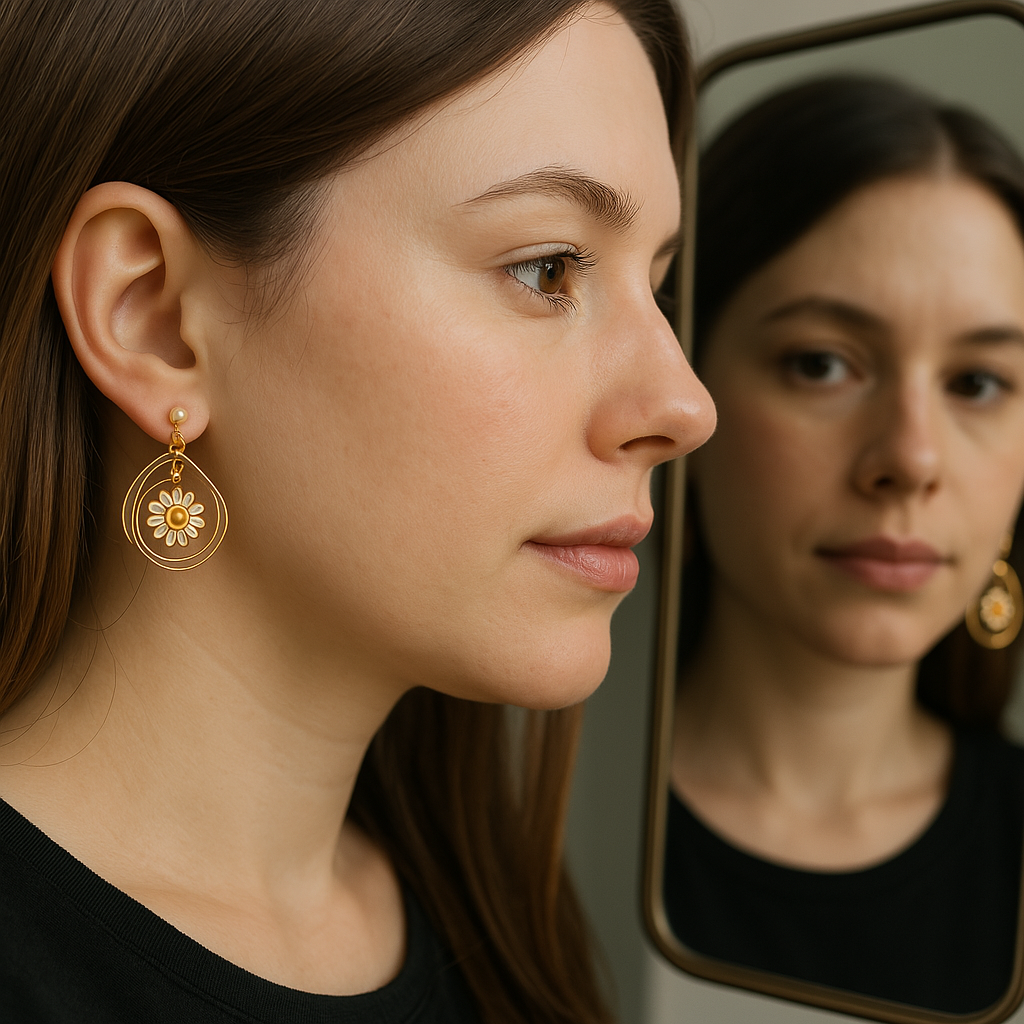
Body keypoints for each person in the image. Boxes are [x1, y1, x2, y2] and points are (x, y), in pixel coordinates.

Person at [0, 3, 715, 1022]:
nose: (684, 406)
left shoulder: (505, 933)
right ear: (150, 313)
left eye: (659, 284)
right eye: (547, 268)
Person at [666, 75, 1024, 1014]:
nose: (909, 458)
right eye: (821, 364)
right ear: (683, 388)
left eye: (980, 383)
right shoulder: (502, 835)